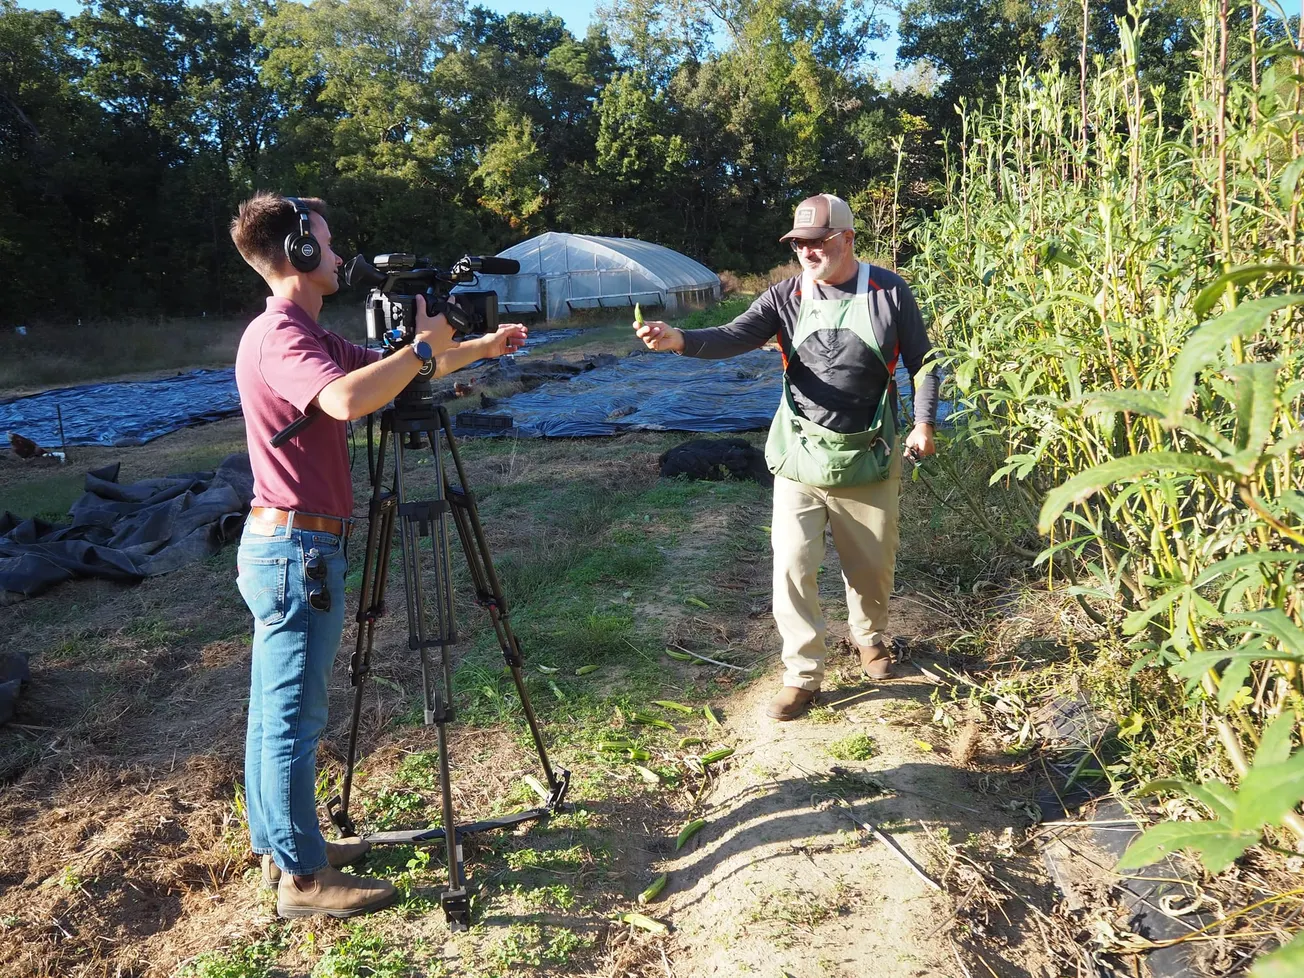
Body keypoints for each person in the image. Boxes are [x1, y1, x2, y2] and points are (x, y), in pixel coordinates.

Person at [229, 192, 527, 917]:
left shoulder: (307, 332)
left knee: (276, 712)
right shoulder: (281, 337)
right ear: (297, 253)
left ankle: (287, 844)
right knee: (294, 716)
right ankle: (303, 880)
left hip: (289, 542)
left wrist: (474, 349)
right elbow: (343, 401)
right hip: (296, 547)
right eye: (326, 244)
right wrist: (422, 348)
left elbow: (393, 372)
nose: (337, 255)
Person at [635, 193, 938, 721]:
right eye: (799, 243)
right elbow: (734, 335)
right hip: (799, 453)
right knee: (792, 567)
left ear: (846, 239)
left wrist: (924, 422)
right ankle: (802, 674)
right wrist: (679, 337)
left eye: (817, 242)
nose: (807, 252)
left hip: (868, 452)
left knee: (871, 568)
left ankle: (870, 639)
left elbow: (924, 361)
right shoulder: (785, 295)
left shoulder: (890, 291)